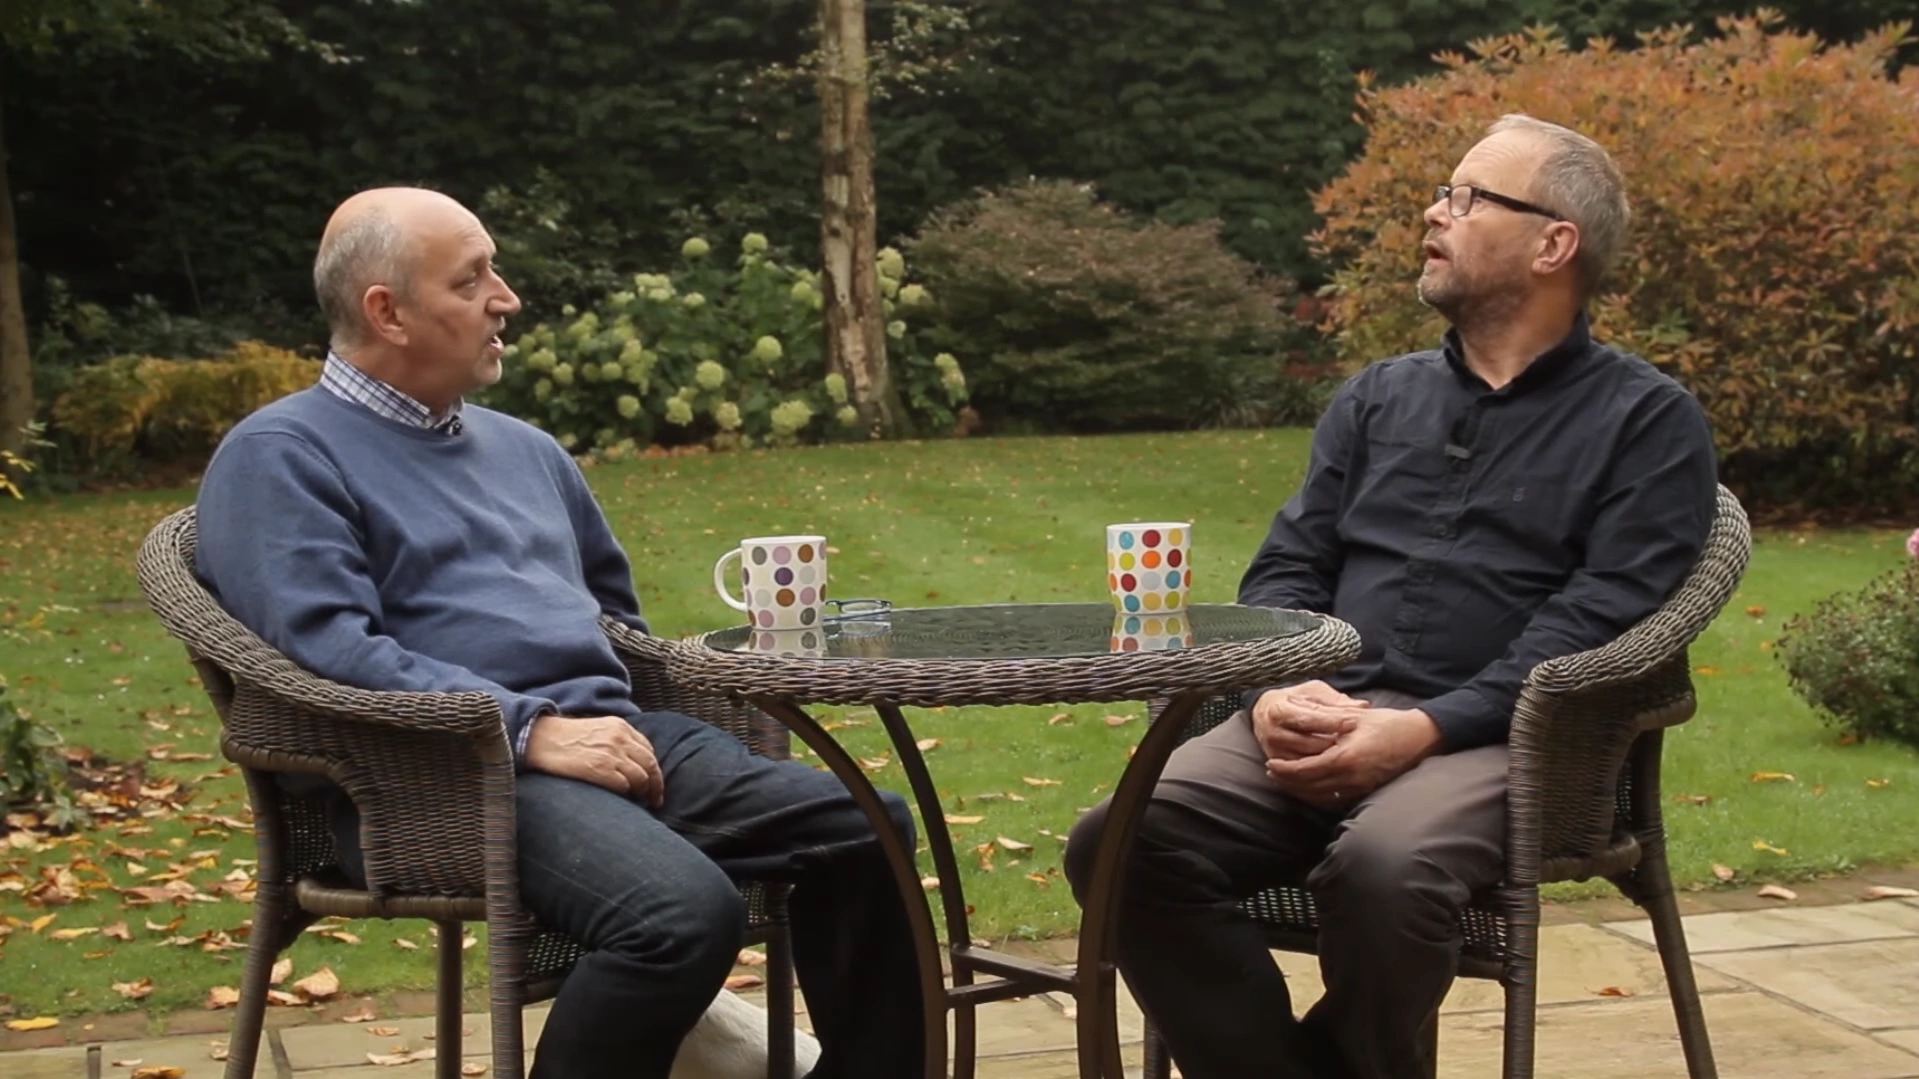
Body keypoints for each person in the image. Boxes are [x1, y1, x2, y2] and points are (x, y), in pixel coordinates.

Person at [193, 187, 922, 1079]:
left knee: (869, 827)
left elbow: (618, 624)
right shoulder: (280, 454)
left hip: (615, 739)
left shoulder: (526, 449)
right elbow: (328, 652)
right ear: (387, 312)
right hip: (434, 774)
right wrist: (528, 729)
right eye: (471, 280)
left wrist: (649, 702)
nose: (506, 298)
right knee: (679, 915)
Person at [1063, 114, 1719, 1079]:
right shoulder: (1377, 399)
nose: (1433, 212)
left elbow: (1598, 621)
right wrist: (1273, 691)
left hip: (1506, 741)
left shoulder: (1648, 422)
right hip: (1320, 712)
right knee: (1117, 842)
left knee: (1385, 869)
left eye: (1467, 197)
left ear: (1552, 244)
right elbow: (1287, 568)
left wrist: (1424, 727)